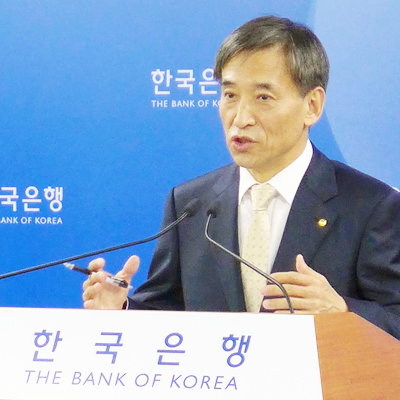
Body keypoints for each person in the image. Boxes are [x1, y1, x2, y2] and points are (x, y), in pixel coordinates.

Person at [83, 16, 400, 340]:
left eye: (263, 97)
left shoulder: (372, 206)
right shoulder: (191, 204)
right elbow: (165, 314)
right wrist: (121, 309)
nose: (241, 118)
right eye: (230, 95)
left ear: (312, 106)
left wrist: (344, 312)